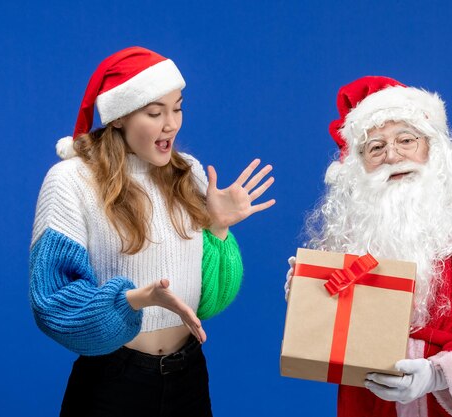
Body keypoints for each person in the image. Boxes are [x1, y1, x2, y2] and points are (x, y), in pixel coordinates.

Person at [30, 46, 275, 417]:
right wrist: (134, 299)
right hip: (113, 382)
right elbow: (52, 303)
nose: (171, 124)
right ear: (118, 118)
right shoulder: (71, 180)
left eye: (177, 108)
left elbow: (209, 303)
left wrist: (218, 229)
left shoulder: (188, 172)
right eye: (155, 112)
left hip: (188, 375)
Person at [285, 76, 452, 416]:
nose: (393, 155)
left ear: (432, 147)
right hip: (376, 405)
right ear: (358, 164)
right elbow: (337, 339)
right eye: (376, 147)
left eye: (406, 140)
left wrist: (439, 373)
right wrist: (312, 295)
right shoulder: (351, 235)